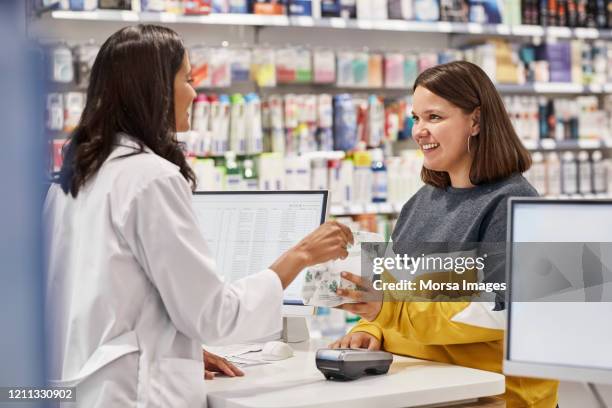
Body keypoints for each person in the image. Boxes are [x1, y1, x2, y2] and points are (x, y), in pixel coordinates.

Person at [44, 25, 353, 407]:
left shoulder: (74, 178)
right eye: (187, 79)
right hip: (133, 393)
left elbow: (94, 303)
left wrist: (182, 350)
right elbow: (212, 315)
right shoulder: (149, 177)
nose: (194, 92)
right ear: (154, 88)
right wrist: (299, 256)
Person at [331, 61, 559, 407]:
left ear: (476, 121)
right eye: (416, 118)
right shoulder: (420, 203)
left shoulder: (514, 205)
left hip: (492, 397)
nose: (419, 131)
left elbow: (500, 312)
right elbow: (393, 292)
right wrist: (369, 329)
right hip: (423, 387)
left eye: (434, 118)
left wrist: (387, 311)